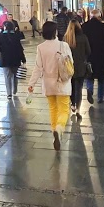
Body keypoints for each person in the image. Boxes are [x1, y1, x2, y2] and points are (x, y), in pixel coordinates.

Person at [27, 21, 73, 151]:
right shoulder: (63, 45)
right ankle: (59, 129)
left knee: (53, 108)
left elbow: (38, 68)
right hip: (62, 82)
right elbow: (70, 62)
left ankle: (54, 134)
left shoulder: (41, 47)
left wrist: (31, 84)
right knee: (64, 110)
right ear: (55, 32)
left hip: (48, 83)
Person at [64, 19, 91, 120]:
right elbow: (88, 51)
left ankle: (72, 105)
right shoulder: (83, 37)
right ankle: (78, 109)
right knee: (78, 88)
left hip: (68, 67)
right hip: (80, 66)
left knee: (71, 87)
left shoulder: (66, 38)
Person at [82, 9, 104, 104]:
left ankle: (90, 90)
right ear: (99, 16)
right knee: (102, 78)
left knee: (89, 76)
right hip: (102, 56)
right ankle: (100, 98)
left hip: (89, 55)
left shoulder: (84, 26)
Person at [0, 21, 26, 99]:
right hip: (15, 59)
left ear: (5, 27)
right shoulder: (16, 35)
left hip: (5, 59)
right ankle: (14, 90)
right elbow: (20, 48)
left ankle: (9, 94)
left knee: (7, 76)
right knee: (15, 75)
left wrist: (3, 50)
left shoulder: (1, 35)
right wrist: (23, 59)